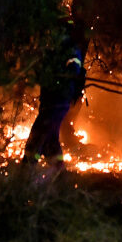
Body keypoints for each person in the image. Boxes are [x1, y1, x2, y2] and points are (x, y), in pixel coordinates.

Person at [23, 23, 86, 167]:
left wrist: (59, 76)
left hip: (58, 100)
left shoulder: (70, 49)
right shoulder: (52, 50)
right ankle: (59, 175)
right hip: (49, 100)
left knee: (37, 135)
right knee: (50, 140)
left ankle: (25, 170)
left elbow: (74, 68)